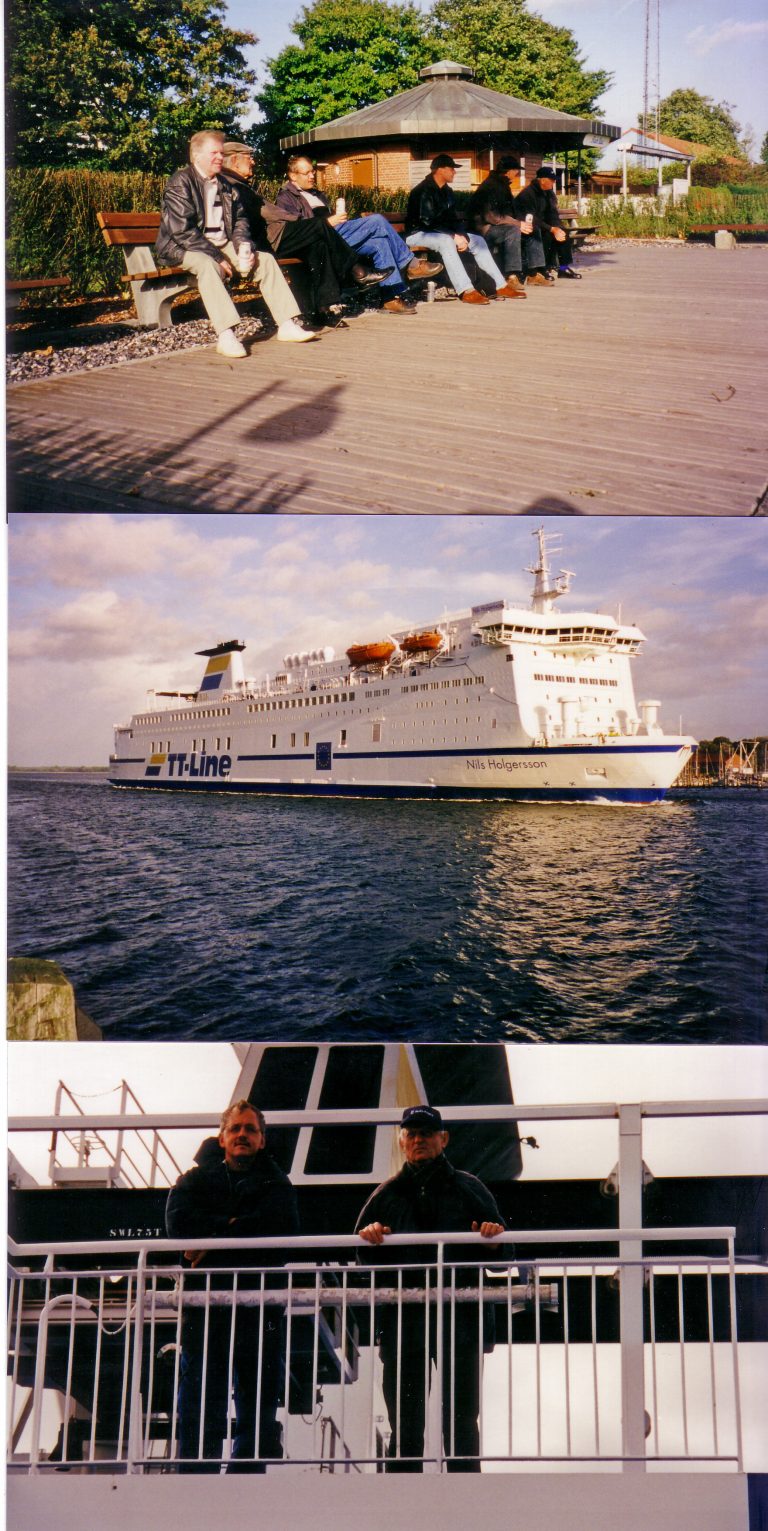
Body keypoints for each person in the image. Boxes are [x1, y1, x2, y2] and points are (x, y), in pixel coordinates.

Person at [355, 1105, 507, 1472]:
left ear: (444, 1139)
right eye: (412, 1133)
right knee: (405, 1425)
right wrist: (370, 1237)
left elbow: (503, 1257)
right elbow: (363, 1261)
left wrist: (492, 1240)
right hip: (404, 1326)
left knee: (461, 1422)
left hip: (461, 1322)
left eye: (426, 1132)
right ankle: (404, 1508)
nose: (419, 1139)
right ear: (403, 1141)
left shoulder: (471, 1189)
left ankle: (465, 1507)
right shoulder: (385, 1195)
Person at [165, 1099, 299, 1472]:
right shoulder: (193, 1181)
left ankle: (247, 1476)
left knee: (258, 1397)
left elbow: (283, 1230)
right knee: (199, 1394)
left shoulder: (279, 1184)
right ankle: (196, 1474)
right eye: (235, 1129)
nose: (243, 1135)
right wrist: (240, 1226)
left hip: (259, 1307)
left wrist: (213, 1238)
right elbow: (178, 1226)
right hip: (205, 1307)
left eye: (250, 1129)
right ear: (222, 1138)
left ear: (262, 1140)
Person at [156, 130, 318, 358]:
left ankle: (287, 324)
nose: (219, 158)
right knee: (207, 265)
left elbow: (240, 220)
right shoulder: (181, 182)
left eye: (221, 153)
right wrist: (219, 256)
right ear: (196, 156)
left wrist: (243, 246)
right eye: (214, 153)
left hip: (220, 244)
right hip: (183, 247)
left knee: (266, 261)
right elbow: (182, 231)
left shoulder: (226, 185)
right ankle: (226, 335)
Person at [220, 142, 395, 326]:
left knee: (318, 244)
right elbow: (268, 214)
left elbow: (269, 212)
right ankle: (357, 271)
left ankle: (323, 309)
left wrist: (301, 222)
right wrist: (302, 221)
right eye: (249, 157)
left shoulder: (239, 184)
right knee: (319, 225)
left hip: (273, 236)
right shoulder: (233, 185)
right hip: (268, 240)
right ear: (234, 160)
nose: (253, 161)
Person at [276, 155, 443, 316]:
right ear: (293, 175)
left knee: (380, 242)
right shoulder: (286, 197)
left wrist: (338, 219)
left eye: (313, 171)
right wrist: (330, 222)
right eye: (307, 173)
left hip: (337, 237)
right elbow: (298, 229)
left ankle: (390, 298)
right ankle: (411, 264)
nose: (313, 175)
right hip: (321, 240)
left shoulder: (317, 194)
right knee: (376, 220)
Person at [404, 154, 525, 305]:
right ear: (440, 169)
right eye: (452, 169)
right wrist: (454, 236)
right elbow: (426, 221)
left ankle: (500, 285)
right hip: (417, 233)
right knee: (446, 241)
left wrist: (462, 236)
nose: (454, 172)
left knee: (478, 240)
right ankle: (466, 290)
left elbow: (454, 219)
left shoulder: (447, 191)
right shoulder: (423, 190)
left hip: (439, 233)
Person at [469, 154, 551, 293]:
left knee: (532, 229)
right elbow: (492, 216)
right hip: (484, 229)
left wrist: (523, 223)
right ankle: (511, 276)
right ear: (508, 171)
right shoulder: (491, 186)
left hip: (498, 226)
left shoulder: (502, 184)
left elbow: (511, 212)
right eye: (515, 170)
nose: (517, 173)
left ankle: (533, 274)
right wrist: (517, 224)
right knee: (513, 231)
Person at [513, 165, 580, 282]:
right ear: (542, 180)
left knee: (563, 233)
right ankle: (541, 269)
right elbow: (532, 218)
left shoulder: (549, 193)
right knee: (543, 235)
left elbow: (553, 214)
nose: (554, 182)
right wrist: (551, 229)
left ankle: (563, 269)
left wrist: (557, 228)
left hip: (543, 225)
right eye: (552, 180)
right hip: (526, 226)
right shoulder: (527, 194)